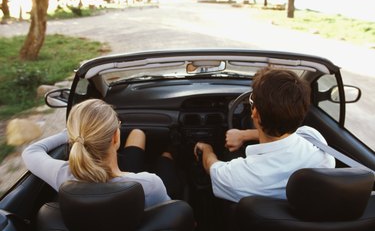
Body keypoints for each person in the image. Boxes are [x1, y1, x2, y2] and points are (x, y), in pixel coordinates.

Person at [194, 67, 335, 203]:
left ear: (255, 113)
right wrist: (244, 135)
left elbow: (212, 168)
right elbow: (291, 135)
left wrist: (207, 149)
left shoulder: (239, 176)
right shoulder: (316, 141)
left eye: (251, 101)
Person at [22, 99, 179, 208]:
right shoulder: (150, 184)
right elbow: (170, 212)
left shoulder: (61, 175)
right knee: (165, 160)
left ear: (74, 137)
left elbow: (31, 151)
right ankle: (169, 154)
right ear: (116, 137)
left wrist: (69, 134)